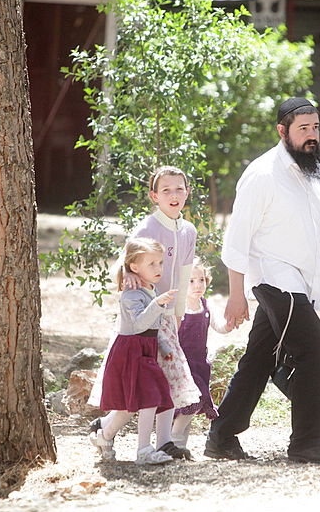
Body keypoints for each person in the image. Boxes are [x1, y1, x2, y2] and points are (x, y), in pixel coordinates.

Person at [205, 97, 320, 463]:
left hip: (299, 281)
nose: (312, 135)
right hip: (274, 279)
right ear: (282, 131)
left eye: (316, 127)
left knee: (259, 358)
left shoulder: (313, 170)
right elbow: (236, 240)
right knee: (316, 347)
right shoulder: (262, 174)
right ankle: (307, 445)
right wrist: (236, 294)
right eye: (303, 129)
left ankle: (221, 437)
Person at [89, 166, 201, 460]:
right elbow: (125, 263)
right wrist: (127, 275)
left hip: (168, 317)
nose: (174, 195)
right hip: (143, 317)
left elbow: (184, 272)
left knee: (168, 378)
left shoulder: (188, 230)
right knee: (140, 381)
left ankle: (164, 442)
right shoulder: (146, 228)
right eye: (166, 190)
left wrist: (179, 312)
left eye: (179, 189)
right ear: (154, 196)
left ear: (187, 192)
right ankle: (107, 429)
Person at [90, 237, 179, 465]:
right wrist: (157, 304)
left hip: (146, 350)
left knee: (145, 399)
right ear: (134, 267)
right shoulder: (131, 294)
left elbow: (153, 327)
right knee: (132, 404)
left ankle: (110, 438)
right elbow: (139, 324)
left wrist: (163, 346)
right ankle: (139, 448)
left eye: (160, 262)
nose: (158, 268)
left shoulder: (151, 289)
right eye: (152, 264)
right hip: (130, 353)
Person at [171, 258, 231, 453]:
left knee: (190, 405)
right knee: (191, 402)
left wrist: (229, 325)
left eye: (201, 280)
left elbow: (219, 326)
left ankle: (180, 447)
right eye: (191, 281)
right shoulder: (179, 308)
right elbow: (171, 335)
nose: (197, 285)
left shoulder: (205, 305)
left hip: (199, 364)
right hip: (182, 365)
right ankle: (173, 440)